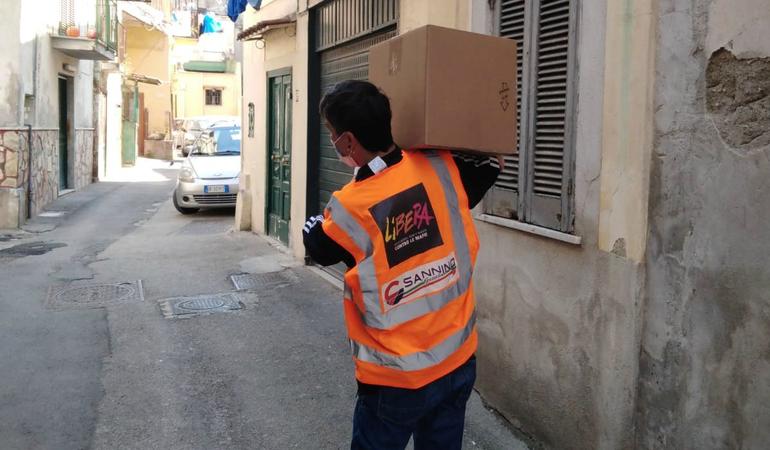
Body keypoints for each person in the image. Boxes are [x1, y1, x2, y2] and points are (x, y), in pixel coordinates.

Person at [303, 80, 502, 450]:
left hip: (395, 381)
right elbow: (491, 162)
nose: (333, 142)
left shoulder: (350, 207)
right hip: (456, 363)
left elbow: (316, 242)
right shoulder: (441, 168)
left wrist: (317, 218)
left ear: (347, 142)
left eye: (331, 134)